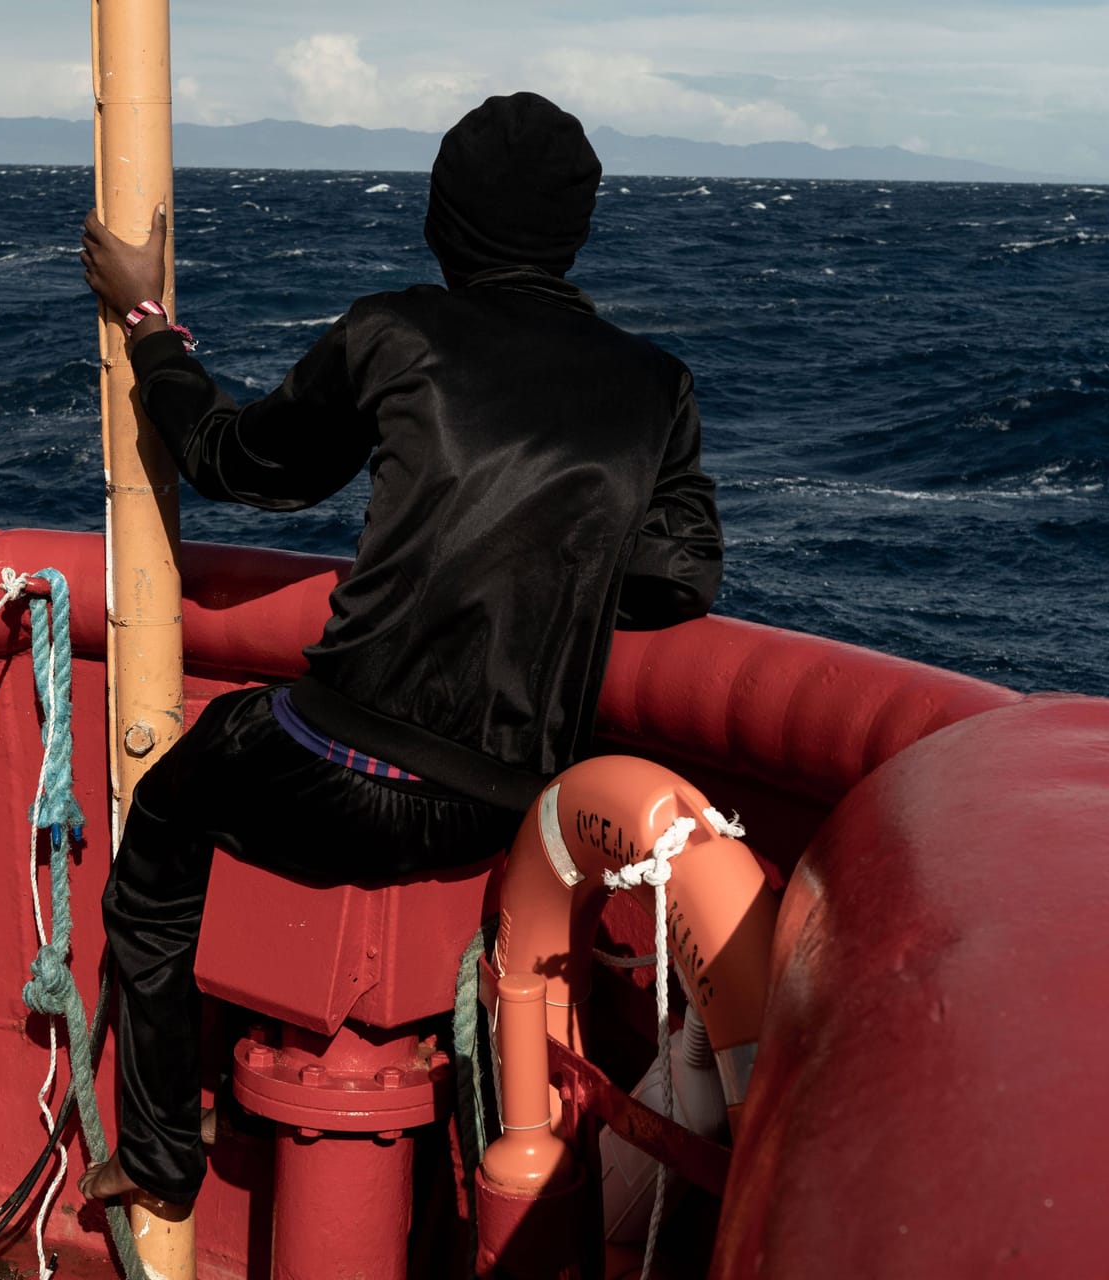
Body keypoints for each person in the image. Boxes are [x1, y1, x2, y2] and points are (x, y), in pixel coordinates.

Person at [75, 91, 722, 1213]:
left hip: (336, 773)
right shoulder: (655, 383)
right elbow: (679, 575)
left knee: (161, 843)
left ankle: (163, 1153)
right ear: (576, 228)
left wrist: (149, 323)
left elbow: (236, 462)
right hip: (510, 811)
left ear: (441, 221)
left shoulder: (396, 332)